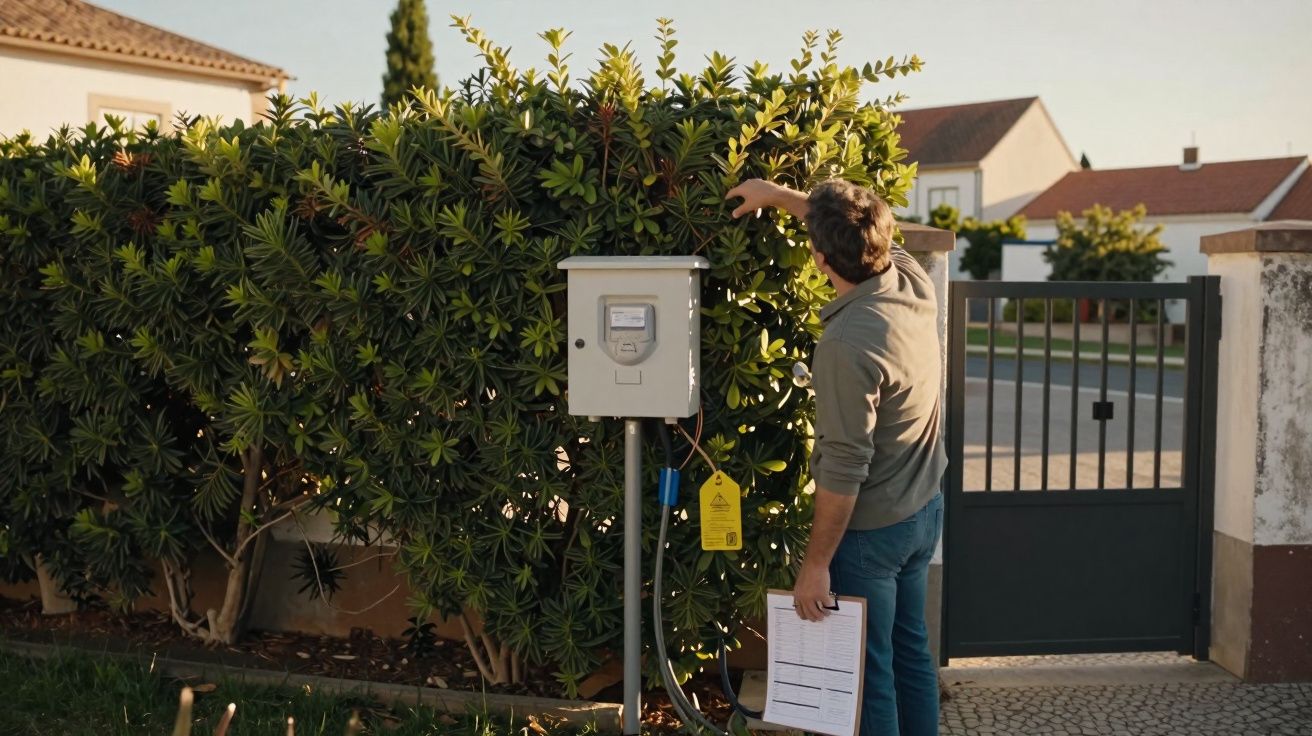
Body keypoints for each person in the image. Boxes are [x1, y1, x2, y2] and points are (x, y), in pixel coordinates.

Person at [726, 178, 948, 736]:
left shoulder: (847, 343)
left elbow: (845, 465)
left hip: (871, 533)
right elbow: (856, 229)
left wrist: (815, 565)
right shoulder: (910, 280)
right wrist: (779, 195)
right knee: (910, 653)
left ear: (819, 259)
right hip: (923, 513)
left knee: (869, 678)